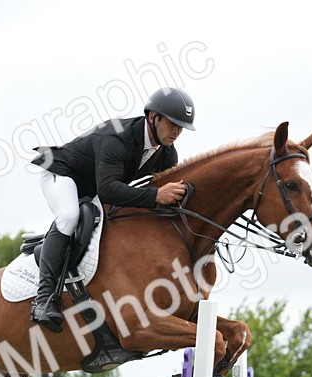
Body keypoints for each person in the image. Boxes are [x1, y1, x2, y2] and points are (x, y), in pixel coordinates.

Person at [28, 87, 195, 331]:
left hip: (95, 186)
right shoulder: (117, 139)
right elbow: (108, 190)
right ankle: (43, 300)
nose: (177, 131)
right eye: (173, 124)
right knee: (69, 215)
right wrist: (157, 195)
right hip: (63, 173)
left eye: (182, 127)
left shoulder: (167, 154)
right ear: (152, 117)